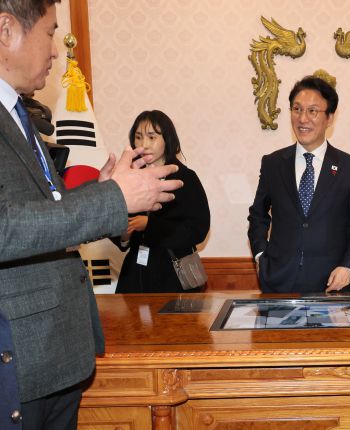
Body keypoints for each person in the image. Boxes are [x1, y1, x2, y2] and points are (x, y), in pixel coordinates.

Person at [0, 1, 182, 429]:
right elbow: (6, 227)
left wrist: (101, 191)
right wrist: (113, 199)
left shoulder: (18, 114)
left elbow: (43, 211)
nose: (55, 50)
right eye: (50, 32)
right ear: (6, 30)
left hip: (54, 356)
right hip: (21, 360)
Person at [248, 71, 350, 294]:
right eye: (297, 109)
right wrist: (260, 256)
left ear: (329, 117)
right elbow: (258, 215)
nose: (302, 119)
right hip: (278, 283)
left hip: (332, 285)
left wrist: (348, 267)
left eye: (312, 111)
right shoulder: (273, 163)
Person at [114, 110, 210, 293]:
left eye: (152, 137)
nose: (144, 144)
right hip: (135, 275)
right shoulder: (129, 177)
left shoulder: (186, 178)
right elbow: (119, 231)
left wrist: (150, 225)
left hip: (172, 275)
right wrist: (124, 235)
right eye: (138, 137)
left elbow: (198, 229)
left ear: (167, 139)